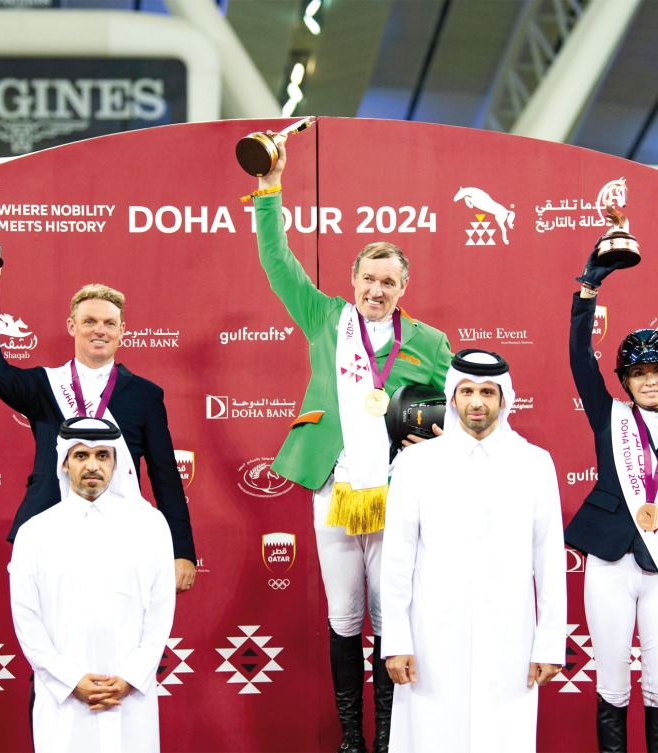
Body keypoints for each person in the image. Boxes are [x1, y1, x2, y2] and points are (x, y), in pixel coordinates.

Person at [249, 138, 452, 753]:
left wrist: (443, 434)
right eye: (369, 278)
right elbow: (278, 262)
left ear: (403, 286)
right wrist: (268, 192)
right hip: (332, 487)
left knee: (391, 619)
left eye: (389, 281)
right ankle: (350, 740)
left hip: (397, 495)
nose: (378, 289)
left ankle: (390, 737)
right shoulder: (323, 317)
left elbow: (467, 407)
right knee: (344, 616)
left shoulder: (430, 340)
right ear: (353, 280)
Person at [0, 250, 196, 592]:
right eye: (90, 321)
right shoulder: (43, 385)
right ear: (72, 326)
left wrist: (181, 551)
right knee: (55, 635)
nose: (100, 330)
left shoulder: (146, 395)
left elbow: (165, 476)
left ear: (122, 331)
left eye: (110, 323)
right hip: (51, 533)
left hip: (124, 535)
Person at [380, 349, 568, 753]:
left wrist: (550, 643)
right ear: (452, 397)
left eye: (487, 392)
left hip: (510, 638)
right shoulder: (415, 463)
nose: (477, 402)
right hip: (430, 638)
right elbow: (397, 559)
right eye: (467, 391)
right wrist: (396, 640)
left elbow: (550, 558)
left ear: (504, 399)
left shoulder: (535, 463)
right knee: (429, 737)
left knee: (503, 738)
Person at [567, 252, 658, 753]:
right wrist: (587, 292)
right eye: (639, 373)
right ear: (625, 382)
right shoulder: (607, 416)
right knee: (611, 686)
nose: (650, 380)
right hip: (608, 566)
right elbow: (578, 358)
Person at [9, 417, 175, 753]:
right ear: (65, 463)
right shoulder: (35, 533)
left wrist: (129, 677)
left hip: (131, 698)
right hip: (64, 702)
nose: (92, 466)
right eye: (81, 456)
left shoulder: (150, 525)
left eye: (102, 456)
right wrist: (71, 681)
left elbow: (160, 612)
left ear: (116, 464)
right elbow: (27, 620)